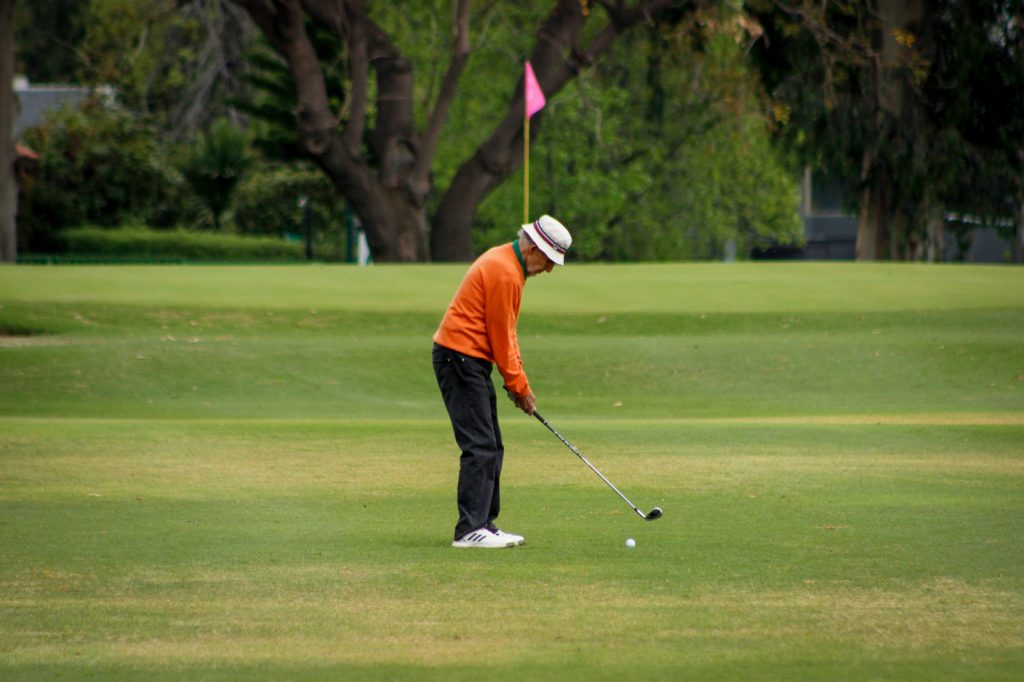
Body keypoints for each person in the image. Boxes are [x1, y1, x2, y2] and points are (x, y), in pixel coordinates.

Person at [432, 215, 572, 548]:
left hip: (469, 361)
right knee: (480, 444)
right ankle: (469, 530)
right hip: (459, 357)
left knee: (492, 443)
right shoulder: (506, 271)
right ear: (533, 248)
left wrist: (518, 384)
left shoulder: (509, 264)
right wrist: (519, 387)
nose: (549, 269)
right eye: (549, 260)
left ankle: (484, 523)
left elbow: (507, 333)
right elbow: (501, 339)